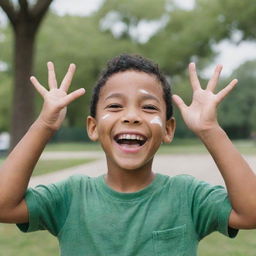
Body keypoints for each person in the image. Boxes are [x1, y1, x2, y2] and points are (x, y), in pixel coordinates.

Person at [0, 54, 255, 256]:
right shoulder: (70, 197)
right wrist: (45, 124)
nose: (131, 116)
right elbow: (3, 205)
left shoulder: (187, 197)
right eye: (114, 106)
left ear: (168, 129)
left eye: (148, 107)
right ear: (93, 127)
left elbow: (251, 213)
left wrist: (210, 129)